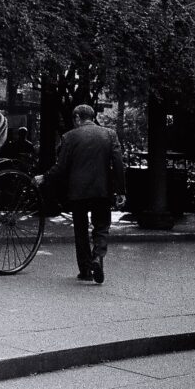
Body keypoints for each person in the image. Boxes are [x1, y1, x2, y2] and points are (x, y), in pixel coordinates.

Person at [35, 105, 125, 284]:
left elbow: (61, 168)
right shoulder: (109, 134)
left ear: (77, 117)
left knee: (81, 230)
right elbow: (118, 164)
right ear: (92, 116)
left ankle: (85, 270)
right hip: (102, 190)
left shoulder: (69, 137)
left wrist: (44, 177)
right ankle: (98, 257)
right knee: (101, 226)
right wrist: (120, 191)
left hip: (78, 191)